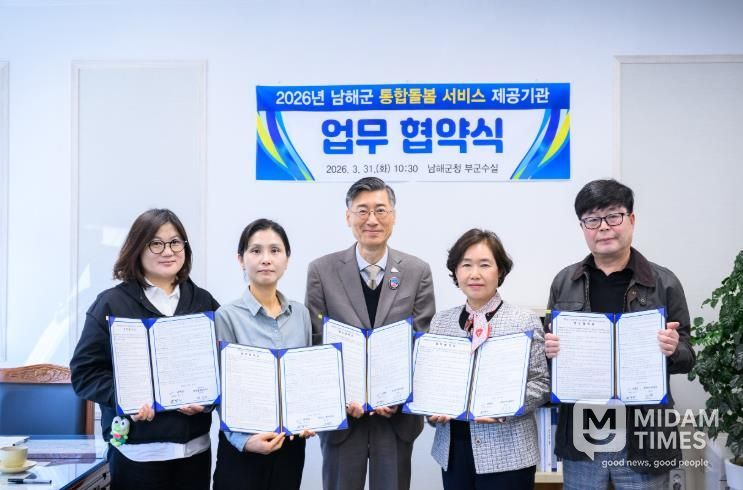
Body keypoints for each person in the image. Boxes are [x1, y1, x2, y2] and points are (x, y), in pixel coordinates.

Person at [544, 179, 695, 490]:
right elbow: (549, 360)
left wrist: (674, 349)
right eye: (592, 219)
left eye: (613, 216)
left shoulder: (663, 282)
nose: (603, 227)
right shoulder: (564, 282)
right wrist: (550, 353)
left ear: (631, 220)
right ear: (583, 227)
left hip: (643, 432)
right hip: (584, 431)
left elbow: (688, 356)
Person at [70, 208, 219, 490]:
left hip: (195, 453)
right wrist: (127, 398)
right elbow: (84, 374)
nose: (168, 251)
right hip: (136, 455)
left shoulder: (203, 302)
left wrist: (208, 400)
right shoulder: (111, 304)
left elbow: (222, 367)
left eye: (175, 242)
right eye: (156, 243)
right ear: (137, 248)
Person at [305, 177, 436, 490]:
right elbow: (316, 341)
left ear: (393, 215)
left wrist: (398, 395)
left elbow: (422, 341)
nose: (372, 219)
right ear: (348, 216)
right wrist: (340, 396)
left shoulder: (417, 271)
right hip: (343, 419)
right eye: (362, 211)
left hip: (395, 419)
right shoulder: (322, 270)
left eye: (380, 210)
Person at [427, 228, 550, 490]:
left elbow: (540, 384)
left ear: (500, 271)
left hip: (508, 451)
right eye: (466, 265)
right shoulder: (441, 322)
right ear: (455, 271)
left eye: (484, 265)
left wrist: (503, 407)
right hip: (453, 450)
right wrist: (430, 409)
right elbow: (432, 382)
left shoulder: (523, 320)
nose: (475, 274)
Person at [212, 219, 314, 490]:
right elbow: (222, 388)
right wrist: (244, 440)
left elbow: (304, 377)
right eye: (256, 250)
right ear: (241, 259)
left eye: (275, 250)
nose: (266, 259)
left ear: (287, 259)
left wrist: (310, 417)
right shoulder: (227, 316)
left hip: (290, 445)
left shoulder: (301, 314)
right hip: (244, 448)